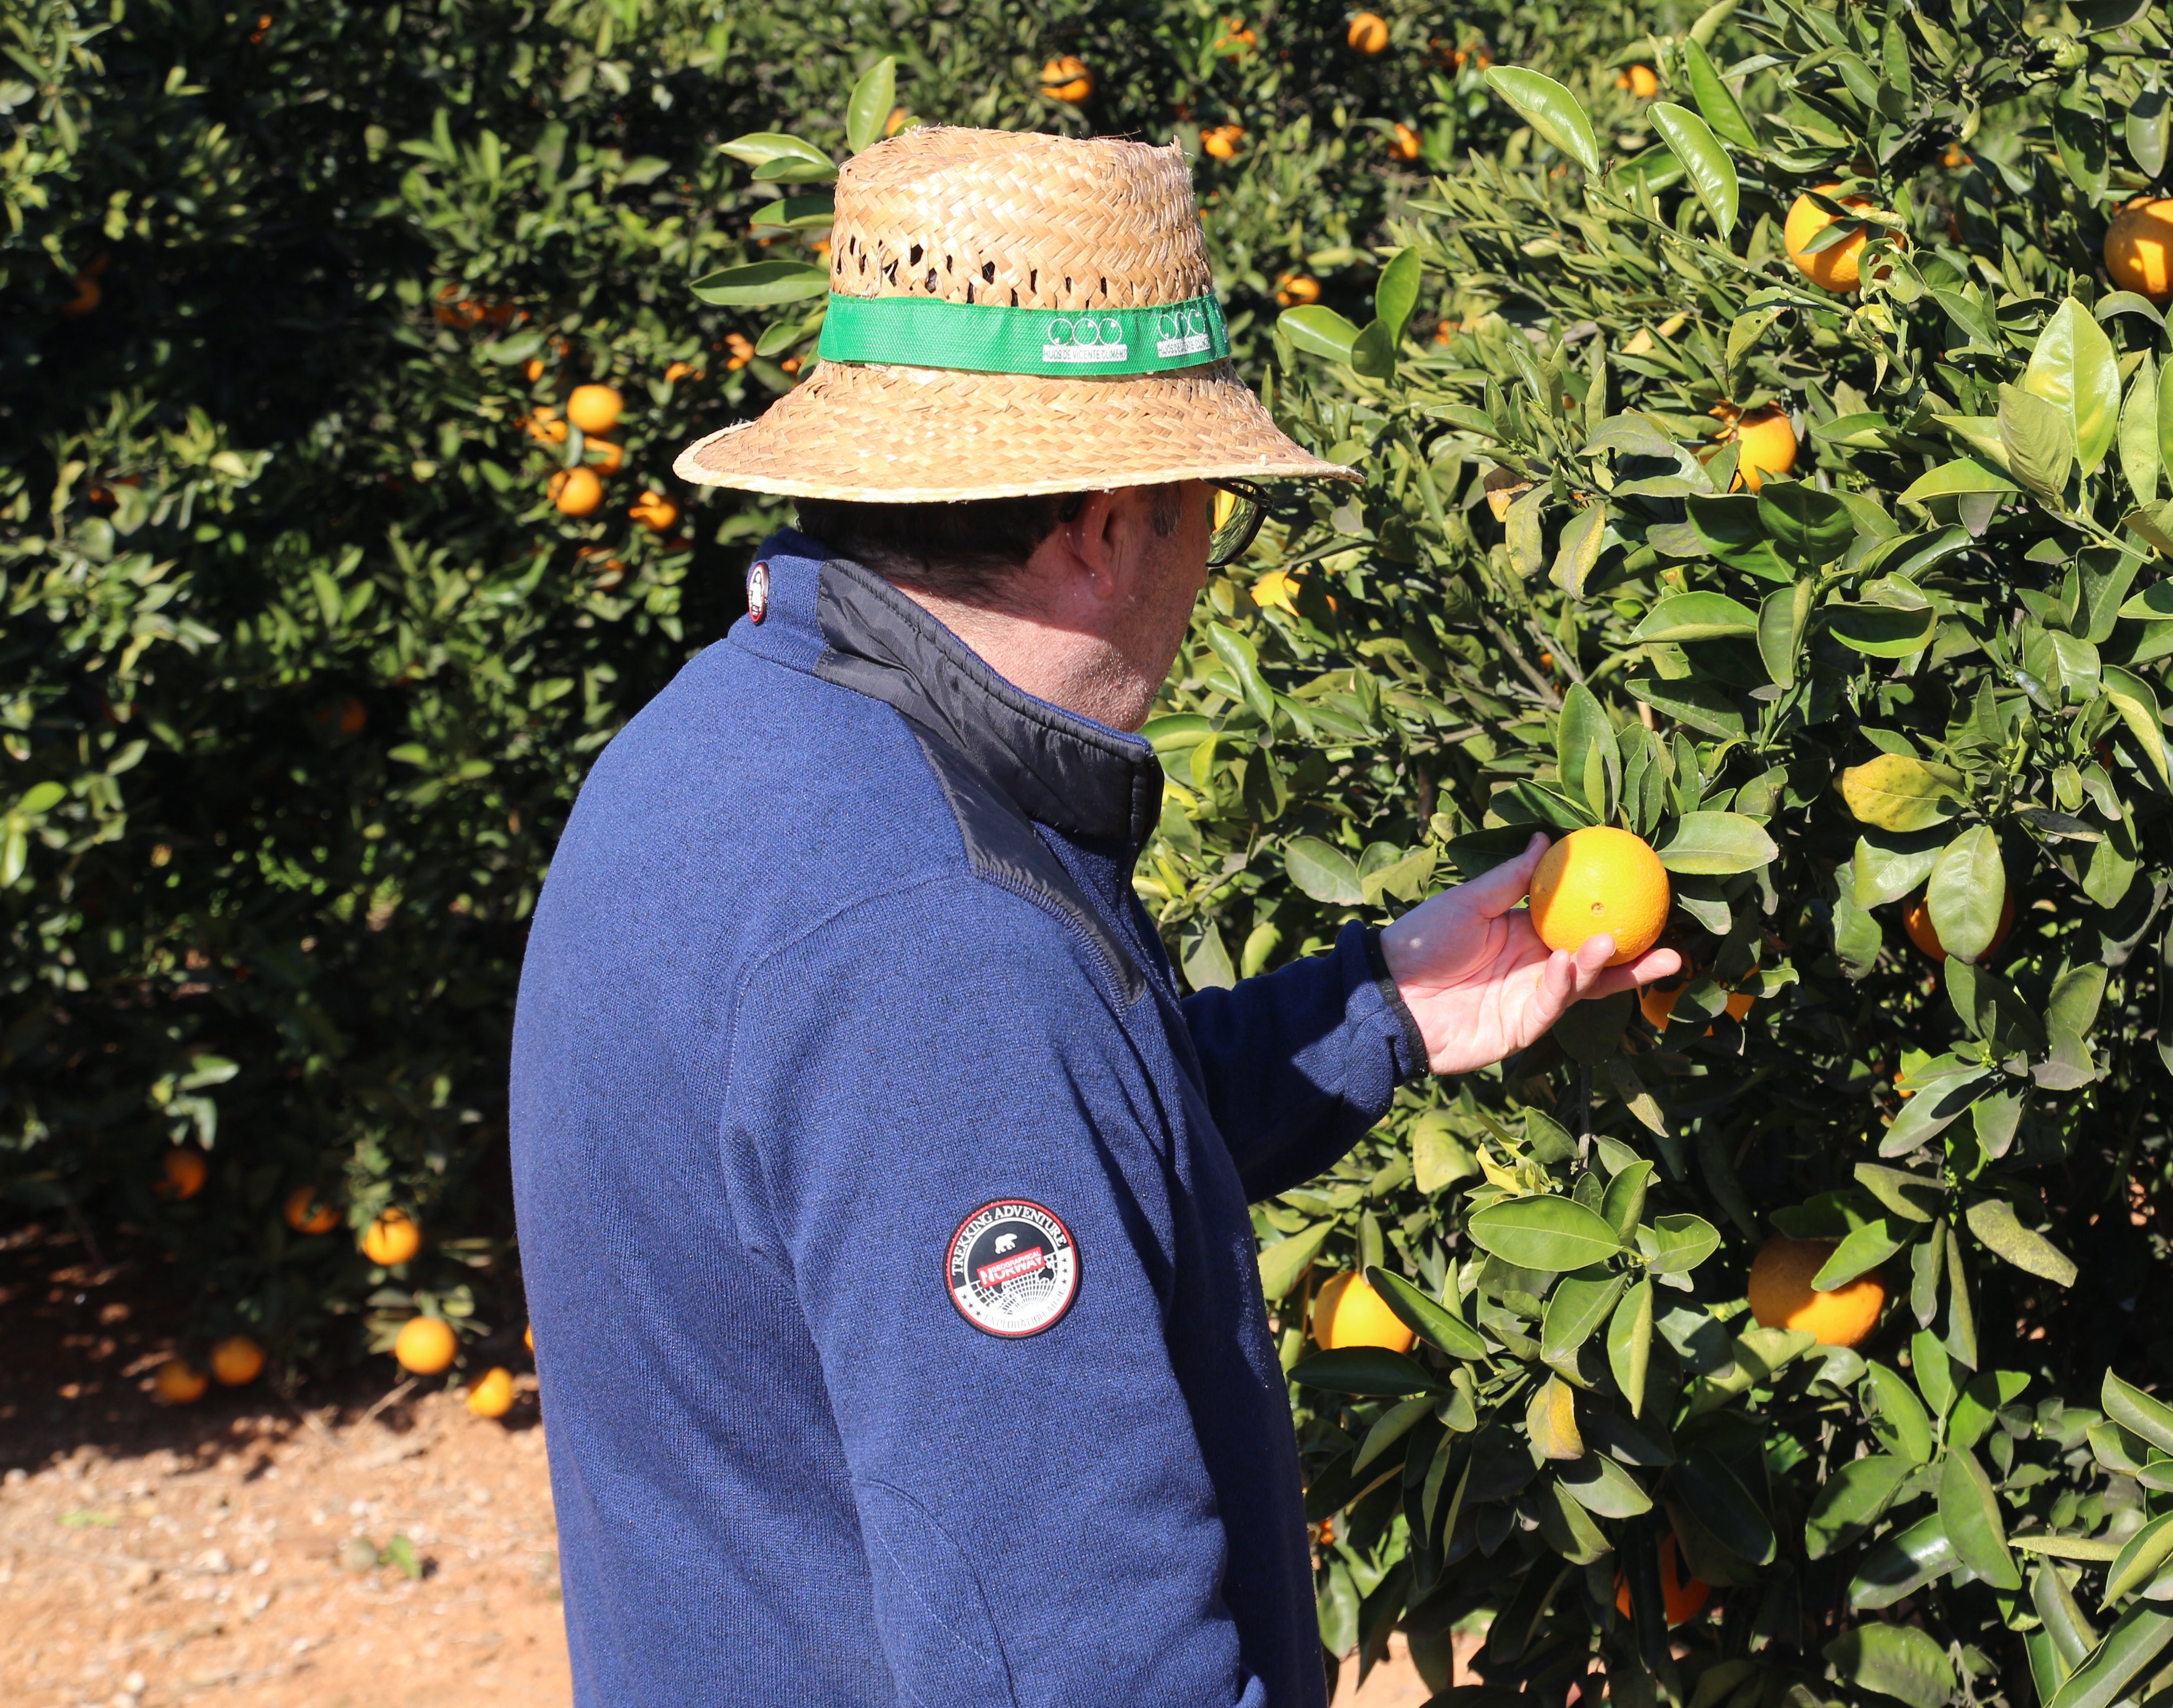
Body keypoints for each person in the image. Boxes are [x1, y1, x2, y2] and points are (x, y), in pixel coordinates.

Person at [510, 124, 1677, 1707]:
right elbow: (1087, 1658)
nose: (1204, 566)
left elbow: (1009, 1140)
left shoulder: (716, 753)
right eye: (1206, 507)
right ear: (1111, 519)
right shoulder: (932, 939)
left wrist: (1379, 1009)